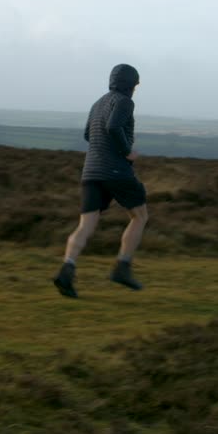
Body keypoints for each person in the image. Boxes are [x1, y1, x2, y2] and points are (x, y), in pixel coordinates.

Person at [53, 64, 149, 299]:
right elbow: (114, 126)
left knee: (86, 224)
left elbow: (88, 134)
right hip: (115, 171)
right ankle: (122, 268)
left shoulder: (99, 103)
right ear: (131, 84)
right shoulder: (125, 102)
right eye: (135, 85)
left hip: (91, 172)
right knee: (140, 216)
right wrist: (126, 151)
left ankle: (66, 271)